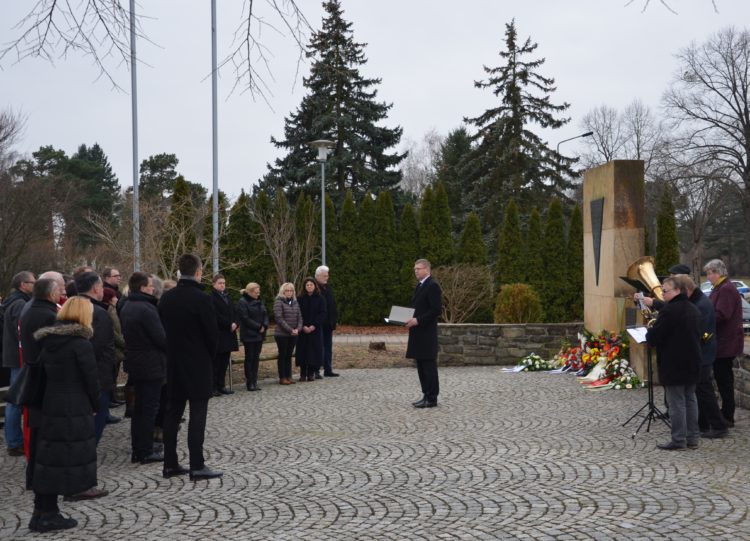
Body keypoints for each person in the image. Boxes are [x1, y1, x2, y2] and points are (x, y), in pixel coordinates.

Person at [28, 297, 100, 533]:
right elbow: (91, 380)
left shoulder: (49, 341)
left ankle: (41, 510)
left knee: (49, 458)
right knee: (65, 458)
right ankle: (49, 515)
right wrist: (95, 404)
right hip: (74, 405)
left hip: (50, 403)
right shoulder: (80, 344)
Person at [158, 254, 221, 480]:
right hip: (197, 363)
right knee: (197, 414)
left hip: (173, 362)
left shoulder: (166, 299)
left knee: (172, 413)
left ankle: (170, 463)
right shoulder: (202, 299)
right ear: (198, 272)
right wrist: (208, 357)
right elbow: (212, 335)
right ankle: (197, 464)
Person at [646, 276, 702, 450]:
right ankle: (693, 438)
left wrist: (649, 332)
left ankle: (678, 440)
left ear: (677, 290)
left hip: (674, 363)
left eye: (665, 291)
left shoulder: (669, 311)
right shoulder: (693, 309)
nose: (662, 294)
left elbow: (654, 337)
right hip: (693, 360)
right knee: (690, 399)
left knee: (676, 402)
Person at [120, 272, 167, 465]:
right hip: (151, 364)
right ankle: (146, 450)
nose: (153, 288)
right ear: (142, 288)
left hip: (136, 362)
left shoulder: (128, 306)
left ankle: (137, 448)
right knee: (148, 409)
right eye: (149, 286)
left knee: (138, 409)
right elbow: (161, 338)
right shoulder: (147, 309)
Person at [677, 275, 729, 439]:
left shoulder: (700, 304)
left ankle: (719, 426)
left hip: (703, 353)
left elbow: (698, 331)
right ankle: (704, 424)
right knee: (700, 390)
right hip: (702, 351)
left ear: (687, 289)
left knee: (704, 390)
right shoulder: (697, 300)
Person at [75, 271, 118, 442]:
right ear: (94, 288)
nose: (102, 290)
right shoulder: (98, 313)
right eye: (101, 286)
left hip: (77, 376)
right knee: (94, 424)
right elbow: (98, 347)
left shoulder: (70, 308)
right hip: (97, 376)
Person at [704, 259, 744, 428]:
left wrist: (703, 320)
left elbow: (722, 314)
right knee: (722, 380)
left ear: (717, 273)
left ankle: (728, 416)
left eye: (709, 274)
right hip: (721, 342)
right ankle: (725, 413)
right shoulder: (720, 288)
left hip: (725, 343)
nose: (707, 278)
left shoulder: (726, 289)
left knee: (724, 381)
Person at [2, 270, 35, 456]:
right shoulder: (19, 303)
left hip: (15, 356)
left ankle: (14, 439)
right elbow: (21, 333)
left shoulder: (16, 301)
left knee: (15, 400)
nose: (35, 285)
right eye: (32, 282)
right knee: (15, 400)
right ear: (23, 285)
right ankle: (14, 441)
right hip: (18, 358)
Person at [406, 259, 442, 409]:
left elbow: (436, 310)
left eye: (418, 269)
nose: (416, 271)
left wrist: (418, 320)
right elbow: (418, 307)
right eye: (415, 269)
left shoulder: (432, 285)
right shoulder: (420, 285)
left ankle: (432, 398)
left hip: (426, 333)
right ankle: (425, 394)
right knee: (420, 365)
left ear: (427, 269)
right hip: (418, 333)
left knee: (428, 366)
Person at [210, 274, 238, 396]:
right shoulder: (211, 297)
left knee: (224, 362)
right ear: (214, 284)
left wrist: (236, 323)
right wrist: (228, 324)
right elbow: (215, 315)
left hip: (229, 333)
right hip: (220, 333)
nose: (222, 285)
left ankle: (221, 385)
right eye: (220, 283)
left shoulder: (227, 296)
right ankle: (213, 386)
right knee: (216, 362)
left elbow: (234, 311)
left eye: (224, 283)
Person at [237, 282, 269, 391]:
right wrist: (258, 326)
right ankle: (249, 382)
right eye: (256, 292)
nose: (258, 294)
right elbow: (244, 318)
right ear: (250, 292)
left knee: (256, 358)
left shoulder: (259, 300)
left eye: (258, 292)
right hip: (249, 334)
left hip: (259, 334)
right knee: (249, 358)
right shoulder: (242, 302)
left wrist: (264, 325)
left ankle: (255, 381)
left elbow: (265, 314)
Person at [295, 278, 326, 382]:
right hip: (303, 329)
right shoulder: (300, 298)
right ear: (304, 286)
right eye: (307, 285)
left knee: (314, 351)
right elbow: (297, 313)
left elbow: (322, 313)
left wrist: (314, 325)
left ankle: (311, 373)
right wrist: (303, 326)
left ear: (315, 286)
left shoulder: (320, 298)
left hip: (315, 329)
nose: (309, 286)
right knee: (303, 351)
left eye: (311, 285)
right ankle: (303, 373)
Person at [273, 283, 302, 385]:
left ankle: (289, 376)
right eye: (287, 291)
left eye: (291, 291)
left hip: (293, 334)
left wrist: (298, 329)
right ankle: (282, 377)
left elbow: (300, 318)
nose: (289, 292)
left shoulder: (295, 302)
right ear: (283, 291)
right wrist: (290, 330)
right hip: (282, 334)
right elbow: (279, 319)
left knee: (289, 355)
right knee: (283, 355)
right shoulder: (278, 302)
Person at [103, 287, 126, 408]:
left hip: (117, 348)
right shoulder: (109, 311)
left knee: (114, 375)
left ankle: (113, 398)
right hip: (115, 348)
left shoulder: (113, 310)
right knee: (112, 376)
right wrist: (123, 342)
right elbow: (113, 331)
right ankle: (110, 400)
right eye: (114, 297)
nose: (116, 299)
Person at [315, 265, 339, 378]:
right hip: (319, 324)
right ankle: (316, 370)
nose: (327, 277)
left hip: (329, 324)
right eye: (325, 276)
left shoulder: (327, 287)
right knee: (318, 347)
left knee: (328, 348)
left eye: (327, 275)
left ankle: (328, 369)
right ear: (318, 276)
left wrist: (333, 321)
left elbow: (332, 305)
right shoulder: (315, 288)